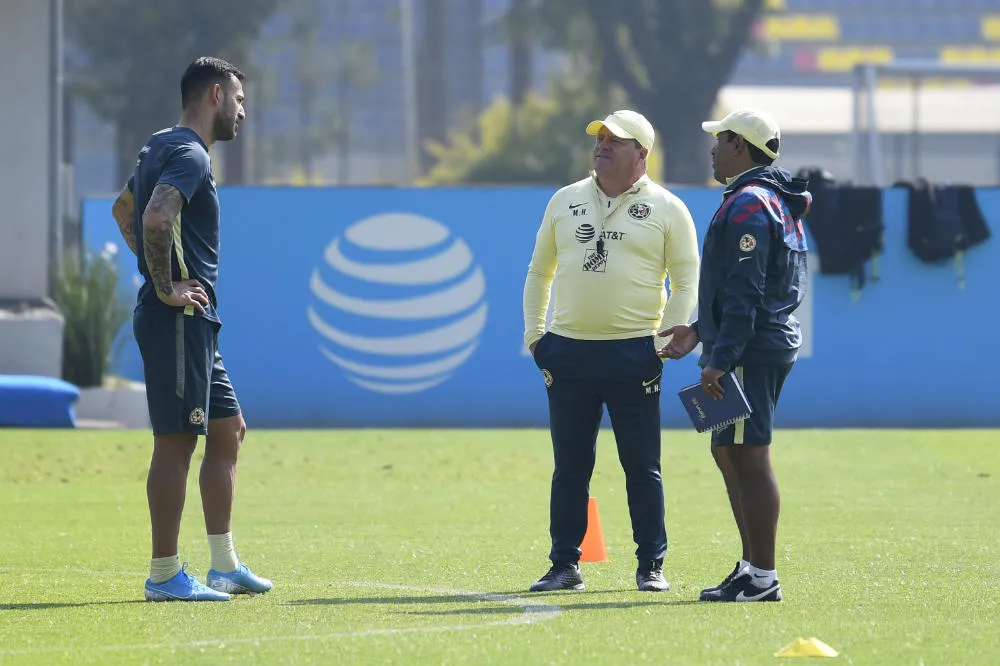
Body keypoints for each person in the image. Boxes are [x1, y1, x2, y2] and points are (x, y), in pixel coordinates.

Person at [109, 56, 272, 602]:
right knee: (176, 444)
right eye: (240, 101)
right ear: (215, 96)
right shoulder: (192, 155)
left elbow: (122, 209)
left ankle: (224, 565)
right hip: (177, 318)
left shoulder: (159, 144)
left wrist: (163, 275)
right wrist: (166, 286)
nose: (243, 113)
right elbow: (154, 217)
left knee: (229, 431)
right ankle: (163, 574)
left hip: (195, 322)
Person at [522, 110, 700, 592]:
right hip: (568, 353)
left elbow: (685, 281)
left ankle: (651, 566)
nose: (602, 145)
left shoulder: (668, 208)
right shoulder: (565, 200)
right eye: (599, 138)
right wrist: (535, 337)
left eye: (614, 140)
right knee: (570, 467)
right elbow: (540, 273)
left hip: (633, 354)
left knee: (642, 466)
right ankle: (564, 565)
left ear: (641, 153)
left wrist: (663, 341)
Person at [661, 108, 811, 602]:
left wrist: (720, 357)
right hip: (750, 342)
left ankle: (764, 578)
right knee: (727, 451)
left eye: (720, 139)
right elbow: (740, 288)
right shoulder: (766, 199)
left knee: (749, 456)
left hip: (749, 348)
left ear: (740, 146)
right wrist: (701, 332)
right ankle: (750, 567)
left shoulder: (749, 203)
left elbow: (746, 293)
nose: (712, 148)